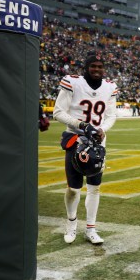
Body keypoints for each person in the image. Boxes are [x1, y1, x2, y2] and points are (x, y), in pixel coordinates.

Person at [53, 54, 118, 245]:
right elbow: (57, 112)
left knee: (94, 187)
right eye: (93, 66)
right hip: (76, 140)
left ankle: (91, 228)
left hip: (97, 144)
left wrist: (101, 130)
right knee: (74, 188)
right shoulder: (72, 82)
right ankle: (71, 223)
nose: (97, 70)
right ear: (86, 68)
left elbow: (111, 115)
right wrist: (82, 125)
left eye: (100, 66)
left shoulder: (110, 86)